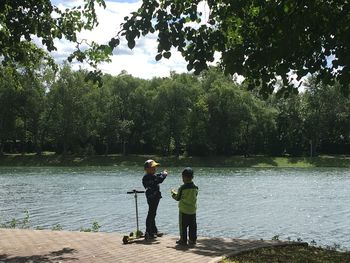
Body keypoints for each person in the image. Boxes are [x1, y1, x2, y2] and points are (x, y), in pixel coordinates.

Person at [171, 167, 198, 246]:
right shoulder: (195, 187)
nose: (182, 178)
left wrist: (173, 193)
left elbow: (177, 198)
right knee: (193, 226)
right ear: (192, 177)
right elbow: (196, 195)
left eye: (182, 176)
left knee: (183, 226)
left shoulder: (182, 187)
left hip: (183, 211)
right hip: (193, 210)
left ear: (184, 177)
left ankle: (183, 240)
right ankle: (193, 240)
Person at [142, 159, 168, 239]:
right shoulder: (146, 177)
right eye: (152, 167)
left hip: (156, 197)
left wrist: (162, 173)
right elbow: (158, 180)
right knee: (151, 213)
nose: (154, 169)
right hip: (151, 197)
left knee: (153, 213)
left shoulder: (152, 175)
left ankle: (154, 230)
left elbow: (157, 176)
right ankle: (148, 231)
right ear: (146, 169)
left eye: (155, 167)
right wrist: (163, 175)